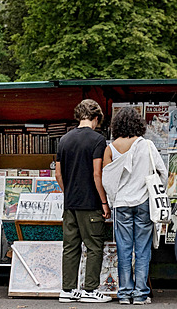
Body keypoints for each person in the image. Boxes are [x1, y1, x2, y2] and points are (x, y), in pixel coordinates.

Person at [102, 107, 168, 305]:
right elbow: (163, 173)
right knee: (142, 250)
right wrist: (154, 191)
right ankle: (140, 294)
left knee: (123, 249)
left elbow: (107, 181)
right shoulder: (146, 145)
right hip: (144, 203)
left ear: (116, 125)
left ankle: (124, 294)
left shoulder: (110, 148)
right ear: (138, 124)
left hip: (121, 204)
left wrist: (114, 199)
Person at [55, 99, 112, 304]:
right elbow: (97, 174)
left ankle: (67, 290)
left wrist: (68, 191)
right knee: (94, 246)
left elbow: (58, 174)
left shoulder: (64, 140)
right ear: (96, 118)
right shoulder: (98, 140)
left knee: (70, 246)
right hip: (90, 204)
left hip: (70, 204)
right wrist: (104, 202)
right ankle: (90, 290)